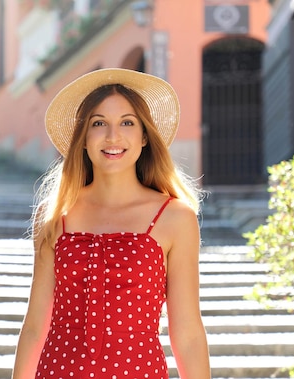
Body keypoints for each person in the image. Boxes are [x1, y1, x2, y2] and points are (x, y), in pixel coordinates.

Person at [12, 68, 210, 379]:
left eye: (127, 122)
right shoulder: (54, 216)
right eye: (98, 123)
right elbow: (36, 326)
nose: (113, 136)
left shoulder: (175, 218)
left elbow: (187, 333)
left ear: (144, 136)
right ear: (84, 138)